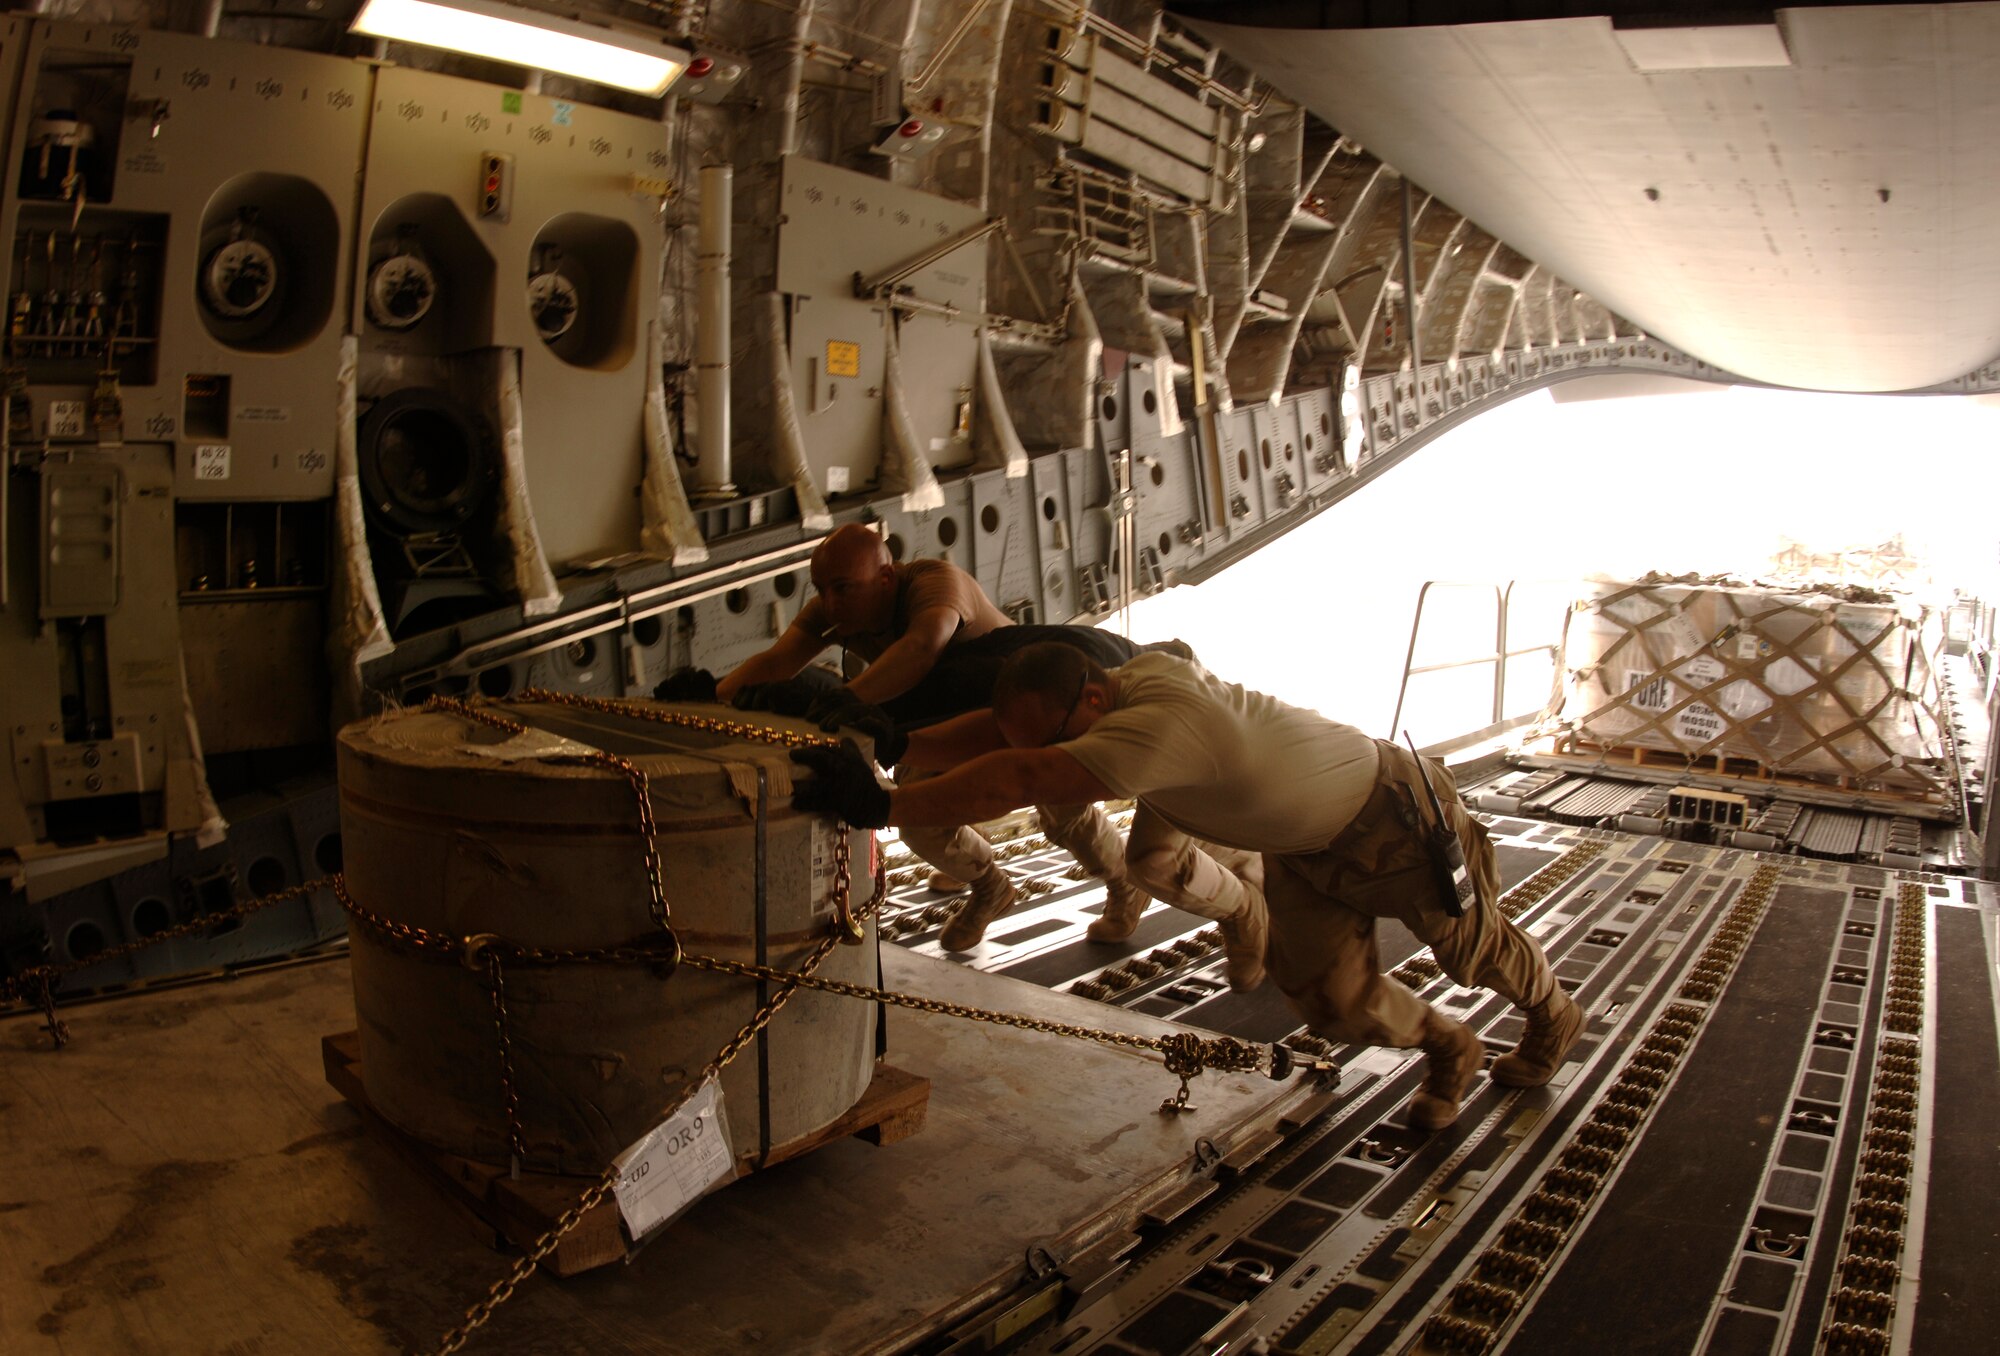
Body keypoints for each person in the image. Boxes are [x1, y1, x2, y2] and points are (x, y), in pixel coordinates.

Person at [788, 641, 1583, 1131]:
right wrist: (900, 739)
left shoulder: (1160, 726)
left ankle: (1552, 1015)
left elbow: (1021, 774)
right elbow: (1012, 743)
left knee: (1472, 952)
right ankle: (1453, 1046)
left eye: (1065, 729)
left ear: (1091, 700)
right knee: (1333, 1004)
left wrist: (884, 805)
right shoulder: (1127, 685)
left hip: (1394, 819)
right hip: (1303, 850)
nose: (1062, 749)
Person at [657, 523, 1153, 949]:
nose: (830, 602)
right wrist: (713, 692)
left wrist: (848, 702)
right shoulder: (834, 608)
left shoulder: (935, 583)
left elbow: (922, 646)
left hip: (1013, 711)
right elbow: (779, 660)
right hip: (935, 719)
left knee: (1061, 811)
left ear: (887, 577)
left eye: (844, 588)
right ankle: (990, 884)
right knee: (917, 820)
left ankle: (1125, 885)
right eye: (822, 589)